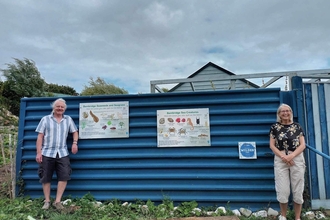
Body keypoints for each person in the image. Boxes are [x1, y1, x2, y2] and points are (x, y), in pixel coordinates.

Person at [35, 98, 79, 210]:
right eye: (58, 106)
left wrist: (74, 143)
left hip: (63, 153)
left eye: (62, 107)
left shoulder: (68, 119)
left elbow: (75, 132)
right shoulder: (45, 119)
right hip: (47, 153)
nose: (60, 108)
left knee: (64, 176)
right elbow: (40, 137)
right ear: (53, 107)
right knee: (45, 177)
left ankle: (57, 201)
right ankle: (47, 201)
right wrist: (39, 153)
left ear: (64, 109)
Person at [269, 104, 306, 220]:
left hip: (297, 158)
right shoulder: (275, 127)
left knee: (298, 189)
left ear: (291, 112)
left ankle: (297, 217)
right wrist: (283, 156)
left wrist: (292, 156)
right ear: (279, 114)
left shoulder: (297, 126)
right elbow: (271, 145)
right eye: (283, 111)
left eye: (288, 110)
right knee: (282, 189)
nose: (285, 113)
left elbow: (303, 145)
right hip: (280, 159)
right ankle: (284, 216)